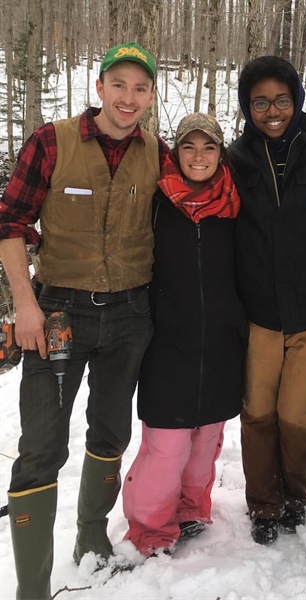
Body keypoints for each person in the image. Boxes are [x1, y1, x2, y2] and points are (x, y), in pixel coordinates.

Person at [0, 42, 169, 600]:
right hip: (58, 316)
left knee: (112, 430)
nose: (128, 97)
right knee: (42, 446)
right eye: (118, 85)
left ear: (150, 96)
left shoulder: (156, 153)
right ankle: (31, 586)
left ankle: (91, 540)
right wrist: (26, 304)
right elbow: (11, 224)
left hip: (130, 315)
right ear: (99, 89)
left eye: (140, 88)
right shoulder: (52, 142)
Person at [228, 55, 306, 545]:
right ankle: (264, 503)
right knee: (258, 414)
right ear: (247, 106)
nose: (272, 111)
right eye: (260, 102)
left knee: (300, 417)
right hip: (259, 313)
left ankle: (296, 495)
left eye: (281, 99)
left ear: (297, 98)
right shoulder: (236, 159)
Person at [121, 113, 246, 557]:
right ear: (175, 153)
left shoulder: (235, 204)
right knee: (167, 443)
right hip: (167, 338)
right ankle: (150, 527)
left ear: (220, 153)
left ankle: (192, 509)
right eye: (189, 147)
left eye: (208, 147)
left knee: (207, 437)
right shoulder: (157, 200)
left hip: (220, 341)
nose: (199, 156)